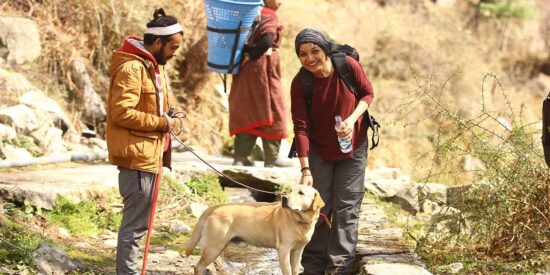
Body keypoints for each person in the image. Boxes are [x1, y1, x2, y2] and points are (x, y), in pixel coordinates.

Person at [291, 29, 374, 275]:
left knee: (347, 208)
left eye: (314, 51)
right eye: (302, 54)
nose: (309, 58)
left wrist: (352, 120)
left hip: (354, 146)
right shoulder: (301, 82)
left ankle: (339, 268)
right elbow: (300, 127)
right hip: (319, 150)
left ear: (325, 49)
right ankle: (313, 267)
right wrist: (305, 169)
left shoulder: (347, 66)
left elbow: (367, 93)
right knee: (317, 208)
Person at [105, 8, 183, 274]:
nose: (175, 52)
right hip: (137, 158)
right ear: (158, 42)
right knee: (135, 226)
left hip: (149, 156)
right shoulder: (131, 68)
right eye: (173, 46)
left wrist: (168, 116)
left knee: (140, 224)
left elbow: (149, 107)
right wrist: (162, 123)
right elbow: (121, 113)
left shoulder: (151, 66)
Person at [228, 0, 292, 168]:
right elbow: (267, 39)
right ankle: (271, 159)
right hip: (262, 71)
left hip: (246, 69)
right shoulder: (268, 15)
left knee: (248, 109)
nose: (281, 2)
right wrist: (255, 53)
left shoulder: (251, 12)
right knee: (273, 110)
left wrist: (247, 53)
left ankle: (241, 157)